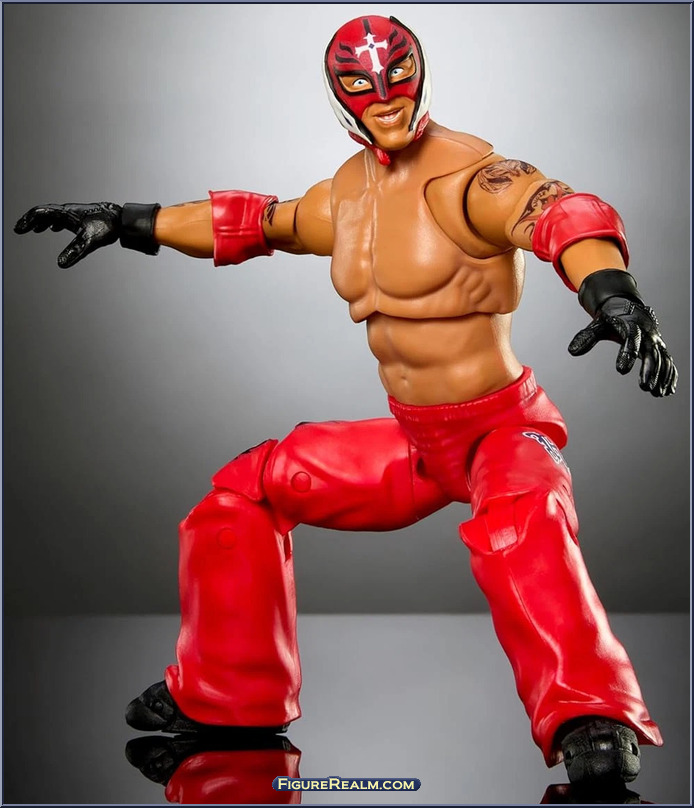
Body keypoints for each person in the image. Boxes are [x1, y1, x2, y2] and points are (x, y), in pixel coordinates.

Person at [15, 14, 676, 789]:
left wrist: (612, 292)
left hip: (500, 432)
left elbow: (561, 211)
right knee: (246, 489)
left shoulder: (473, 176)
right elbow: (257, 223)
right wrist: (132, 221)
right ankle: (228, 696)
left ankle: (592, 718)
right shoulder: (347, 194)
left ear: (422, 79)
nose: (385, 98)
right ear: (340, 97)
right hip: (416, 445)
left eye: (399, 78)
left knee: (524, 519)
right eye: (363, 84)